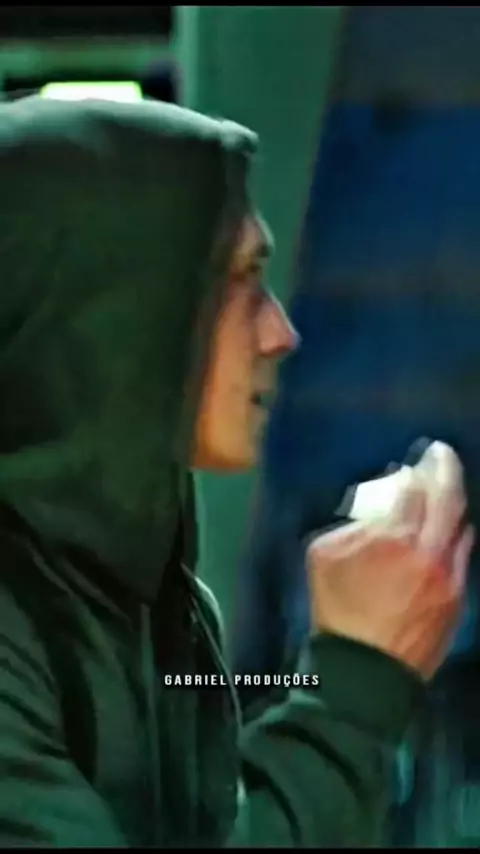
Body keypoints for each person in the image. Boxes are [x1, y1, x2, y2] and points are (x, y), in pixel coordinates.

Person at [0, 94, 472, 847]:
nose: (281, 333)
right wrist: (355, 682)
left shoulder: (159, 605)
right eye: (243, 279)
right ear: (114, 312)